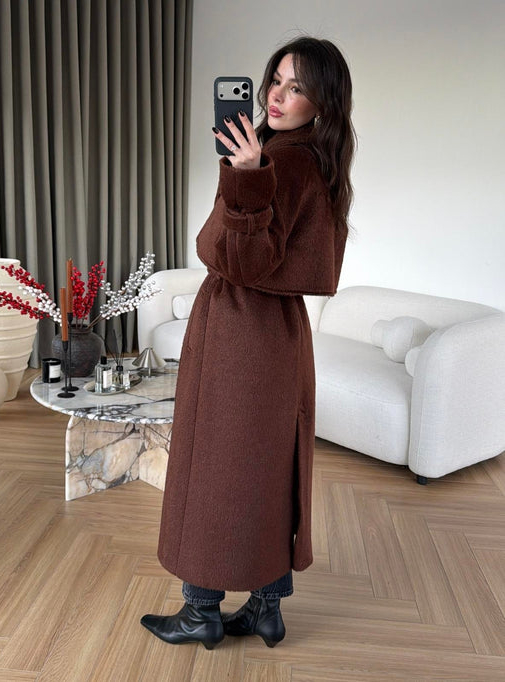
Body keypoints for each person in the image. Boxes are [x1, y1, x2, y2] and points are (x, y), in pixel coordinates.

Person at [141, 36, 356, 650]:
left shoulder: (279, 163)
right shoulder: (313, 160)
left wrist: (247, 179)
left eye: (297, 87)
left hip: (241, 332)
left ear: (323, 102)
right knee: (267, 464)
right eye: (275, 81)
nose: (277, 96)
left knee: (216, 464)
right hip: (279, 333)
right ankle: (265, 607)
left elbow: (243, 261)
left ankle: (200, 610)